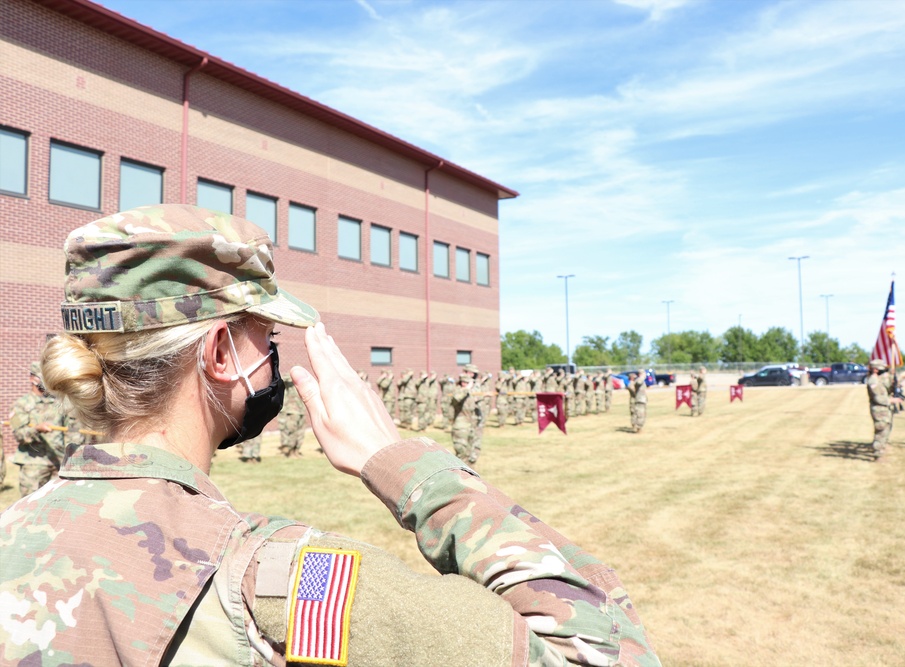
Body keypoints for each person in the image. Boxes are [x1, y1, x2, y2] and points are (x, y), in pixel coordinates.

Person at [0, 205, 659, 666]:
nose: (276, 355)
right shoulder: (282, 580)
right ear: (222, 350)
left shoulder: (12, 536)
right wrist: (409, 468)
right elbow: (599, 650)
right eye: (270, 336)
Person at [8, 362, 67, 497]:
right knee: (30, 507)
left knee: (57, 506)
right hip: (34, 465)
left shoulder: (58, 403)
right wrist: (37, 429)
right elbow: (19, 435)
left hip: (58, 462)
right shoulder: (20, 405)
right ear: (32, 379)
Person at [867, 359, 894, 460]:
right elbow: (877, 397)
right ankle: (877, 454)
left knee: (885, 429)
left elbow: (886, 388)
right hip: (879, 409)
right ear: (875, 369)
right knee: (880, 431)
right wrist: (891, 401)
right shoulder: (873, 380)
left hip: (883, 409)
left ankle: (881, 450)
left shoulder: (878, 379)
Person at [278, 374, 307, 457]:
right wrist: (292, 376)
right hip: (292, 411)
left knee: (300, 433)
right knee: (292, 432)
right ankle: (290, 451)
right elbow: (282, 379)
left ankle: (297, 450)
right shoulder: (289, 383)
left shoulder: (302, 384)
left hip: (301, 411)